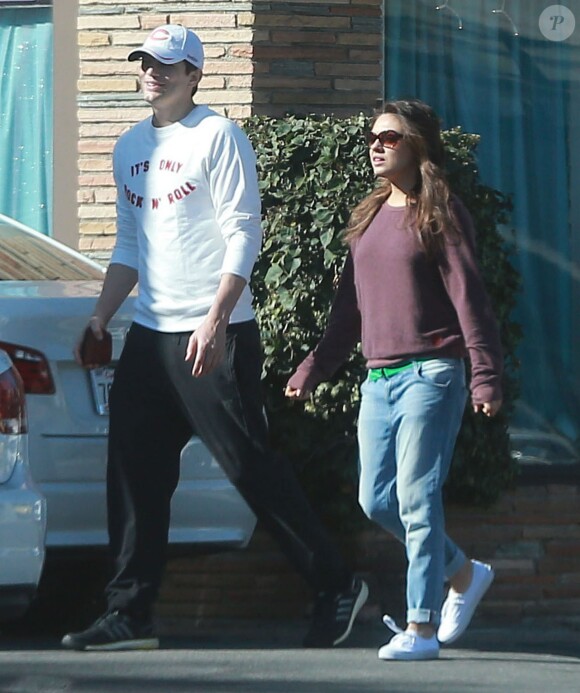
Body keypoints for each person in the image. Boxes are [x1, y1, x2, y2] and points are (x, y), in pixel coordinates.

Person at [61, 24, 367, 652]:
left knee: (248, 465)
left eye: (169, 65)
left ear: (194, 75)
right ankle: (130, 614)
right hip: (149, 336)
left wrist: (217, 317)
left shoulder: (218, 137)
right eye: (146, 62)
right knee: (133, 474)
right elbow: (128, 245)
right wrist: (100, 315)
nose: (154, 72)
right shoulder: (127, 147)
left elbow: (243, 231)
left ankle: (338, 585)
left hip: (214, 333)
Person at [286, 99, 502, 661]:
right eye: (373, 137)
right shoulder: (369, 217)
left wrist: (484, 377)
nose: (376, 145)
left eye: (390, 137)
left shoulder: (441, 214)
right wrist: (314, 368)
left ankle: (422, 628)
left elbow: (470, 301)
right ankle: (462, 573)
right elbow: (348, 310)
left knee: (416, 497)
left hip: (433, 372)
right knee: (375, 498)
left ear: (418, 147)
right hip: (379, 379)